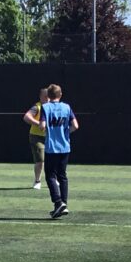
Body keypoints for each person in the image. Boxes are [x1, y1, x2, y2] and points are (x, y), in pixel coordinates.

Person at [24, 83, 78, 219]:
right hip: (65, 146)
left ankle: (58, 202)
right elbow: (76, 126)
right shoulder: (67, 107)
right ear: (60, 95)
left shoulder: (46, 108)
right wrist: (65, 133)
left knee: (50, 176)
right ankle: (63, 205)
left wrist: (49, 129)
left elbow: (42, 126)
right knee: (62, 176)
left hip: (52, 147)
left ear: (48, 96)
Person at [22, 87, 48, 189]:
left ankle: (53, 179)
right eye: (45, 96)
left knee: (53, 160)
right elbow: (26, 117)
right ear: (40, 97)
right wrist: (39, 124)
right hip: (37, 137)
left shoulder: (53, 107)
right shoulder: (37, 107)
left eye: (49, 96)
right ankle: (37, 181)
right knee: (40, 160)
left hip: (50, 138)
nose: (47, 99)